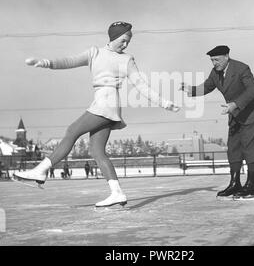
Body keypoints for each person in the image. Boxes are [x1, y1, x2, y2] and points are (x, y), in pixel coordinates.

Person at [13, 21, 179, 207]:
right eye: (123, 40)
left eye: (128, 42)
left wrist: (164, 102)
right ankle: (117, 193)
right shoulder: (95, 53)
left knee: (72, 131)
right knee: (97, 151)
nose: (125, 45)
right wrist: (45, 63)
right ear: (114, 36)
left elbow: (141, 85)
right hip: (104, 103)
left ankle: (40, 170)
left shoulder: (127, 59)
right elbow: (69, 61)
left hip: (106, 103)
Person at [181, 45, 254, 200]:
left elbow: (252, 90)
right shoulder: (215, 73)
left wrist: (234, 104)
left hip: (252, 111)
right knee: (233, 148)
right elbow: (207, 86)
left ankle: (252, 185)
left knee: (249, 146)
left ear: (226, 56)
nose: (214, 63)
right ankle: (235, 184)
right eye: (212, 60)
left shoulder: (241, 68)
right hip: (235, 113)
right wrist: (191, 90)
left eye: (217, 59)